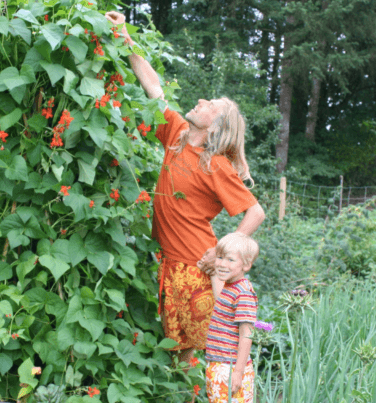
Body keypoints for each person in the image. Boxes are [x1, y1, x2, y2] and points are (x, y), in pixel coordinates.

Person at [104, 11, 266, 365]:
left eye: (211, 105)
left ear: (216, 126)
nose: (201, 102)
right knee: (181, 355)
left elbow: (255, 212)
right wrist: (124, 38)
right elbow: (154, 89)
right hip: (171, 265)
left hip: (196, 269)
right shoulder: (177, 135)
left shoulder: (215, 165)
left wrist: (221, 252)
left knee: (216, 352)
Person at [204, 232, 259, 403]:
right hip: (218, 364)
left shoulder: (243, 293)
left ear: (246, 265)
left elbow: (246, 335)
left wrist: (238, 372)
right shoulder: (231, 286)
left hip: (230, 367)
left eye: (230, 260)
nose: (221, 264)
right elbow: (221, 300)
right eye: (219, 257)